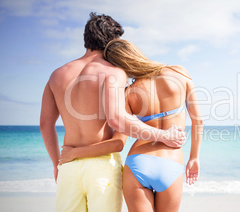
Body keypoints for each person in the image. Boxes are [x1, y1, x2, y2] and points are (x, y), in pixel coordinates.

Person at [40, 13, 186, 212]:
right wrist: (163, 135)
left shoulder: (57, 75)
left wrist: (57, 163)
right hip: (102, 165)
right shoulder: (114, 73)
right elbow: (117, 120)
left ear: (86, 39)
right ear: (112, 42)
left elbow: (45, 125)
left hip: (69, 165)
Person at [60, 38, 203, 212]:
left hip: (137, 164)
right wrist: (194, 158)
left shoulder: (128, 93)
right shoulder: (179, 72)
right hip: (171, 162)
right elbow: (198, 120)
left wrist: (74, 153)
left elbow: (118, 142)